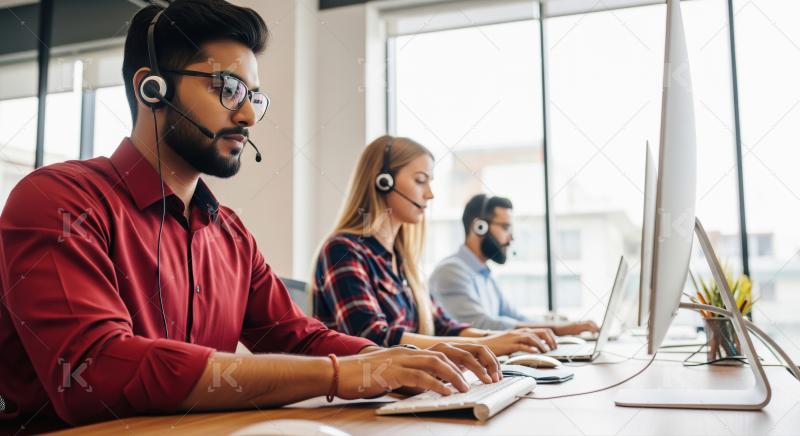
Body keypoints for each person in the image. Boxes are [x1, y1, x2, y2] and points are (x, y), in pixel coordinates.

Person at [0, 1, 500, 428]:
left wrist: (401, 362)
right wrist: (342, 375)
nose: (247, 116)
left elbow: (297, 336)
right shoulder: (58, 200)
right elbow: (96, 371)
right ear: (151, 88)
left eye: (253, 97)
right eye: (227, 89)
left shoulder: (230, 232)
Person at [311, 135, 558, 356]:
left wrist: (500, 339)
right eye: (420, 180)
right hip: (361, 401)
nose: (430, 194)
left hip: (404, 393)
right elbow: (372, 339)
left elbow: (443, 326)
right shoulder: (343, 251)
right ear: (383, 181)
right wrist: (489, 345)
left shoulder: (403, 261)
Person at [429, 194, 599, 335]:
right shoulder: (450, 272)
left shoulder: (484, 274)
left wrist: (564, 327)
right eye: (505, 227)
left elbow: (515, 317)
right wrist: (556, 330)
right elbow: (482, 324)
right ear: (479, 227)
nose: (512, 237)